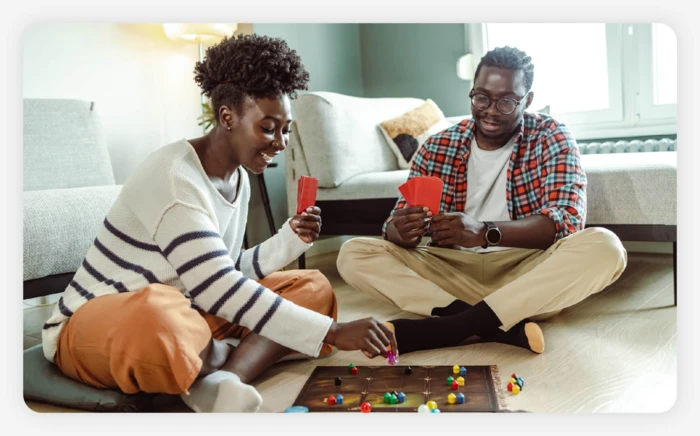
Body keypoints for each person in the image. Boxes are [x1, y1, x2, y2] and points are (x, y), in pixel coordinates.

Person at [41, 34, 397, 413]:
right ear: (227, 117)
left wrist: (287, 242)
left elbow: (225, 271)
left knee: (312, 288)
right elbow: (216, 288)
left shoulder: (237, 177)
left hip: (190, 309)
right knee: (159, 319)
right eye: (268, 127)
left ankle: (221, 380)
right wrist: (333, 332)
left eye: (286, 129)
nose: (281, 142)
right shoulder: (175, 177)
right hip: (101, 322)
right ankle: (221, 359)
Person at [337, 46, 627, 355]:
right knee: (353, 253)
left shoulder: (551, 135)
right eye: (481, 97)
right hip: (451, 271)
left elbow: (567, 220)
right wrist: (400, 230)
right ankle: (490, 320)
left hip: (525, 268)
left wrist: (485, 232)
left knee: (606, 247)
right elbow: (393, 227)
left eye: (506, 101)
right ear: (472, 92)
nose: (490, 110)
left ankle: (450, 326)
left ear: (527, 101)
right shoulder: (437, 146)